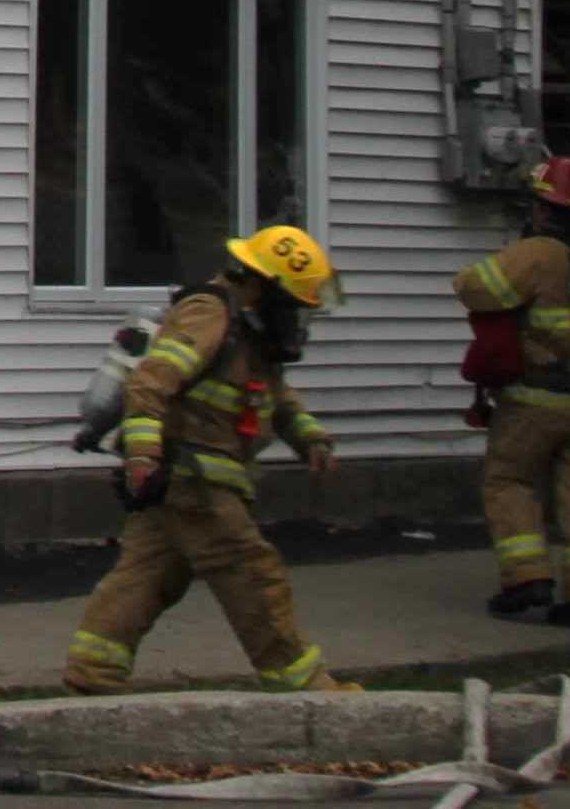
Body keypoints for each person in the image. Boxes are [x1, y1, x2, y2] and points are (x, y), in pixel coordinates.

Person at [63, 224, 355, 694]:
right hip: (196, 479)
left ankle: (93, 673)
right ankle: (308, 691)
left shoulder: (250, 332)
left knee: (148, 575)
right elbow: (150, 383)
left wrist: (310, 439)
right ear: (263, 287)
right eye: (295, 309)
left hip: (184, 477)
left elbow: (275, 398)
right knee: (254, 576)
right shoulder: (207, 313)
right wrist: (141, 454)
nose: (299, 323)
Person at [457, 155, 570, 631]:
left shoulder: (539, 252)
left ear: (541, 208)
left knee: (509, 480)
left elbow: (474, 288)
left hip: (537, 400)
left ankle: (526, 579)